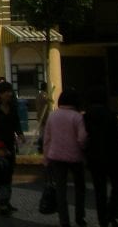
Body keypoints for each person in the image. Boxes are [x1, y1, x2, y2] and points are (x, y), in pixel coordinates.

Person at [44, 89, 88, 227]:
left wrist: (46, 158)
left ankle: (64, 221)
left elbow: (47, 139)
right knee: (80, 187)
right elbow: (82, 138)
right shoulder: (77, 117)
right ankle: (79, 216)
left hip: (56, 157)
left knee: (60, 190)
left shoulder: (52, 116)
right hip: (75, 157)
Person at [84, 86, 118, 227]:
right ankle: (112, 213)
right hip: (112, 155)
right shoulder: (109, 114)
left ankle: (102, 218)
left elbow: (84, 137)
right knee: (117, 185)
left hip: (94, 157)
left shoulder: (87, 115)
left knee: (99, 189)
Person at [0, 80, 26, 215]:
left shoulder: (12, 107)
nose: (9, 94)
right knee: (1, 170)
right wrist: (0, 147)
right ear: (0, 94)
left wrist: (20, 134)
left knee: (9, 171)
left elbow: (16, 123)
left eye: (10, 91)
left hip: (9, 142)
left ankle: (5, 202)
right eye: (6, 92)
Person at [36, 81, 52, 152]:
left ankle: (41, 145)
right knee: (44, 132)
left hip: (40, 115)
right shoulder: (44, 95)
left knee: (41, 131)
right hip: (44, 115)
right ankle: (42, 145)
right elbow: (49, 101)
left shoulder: (39, 95)